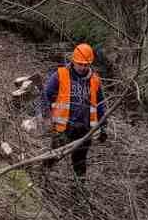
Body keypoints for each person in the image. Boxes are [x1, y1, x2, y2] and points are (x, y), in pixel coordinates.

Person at [40, 43, 107, 182]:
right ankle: (41, 179)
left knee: (80, 163)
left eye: (86, 64)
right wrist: (46, 116)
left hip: (85, 130)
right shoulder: (60, 75)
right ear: (73, 61)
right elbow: (45, 96)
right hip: (64, 128)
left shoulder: (95, 80)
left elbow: (101, 105)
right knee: (53, 156)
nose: (82, 67)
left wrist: (103, 126)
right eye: (80, 64)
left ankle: (79, 189)